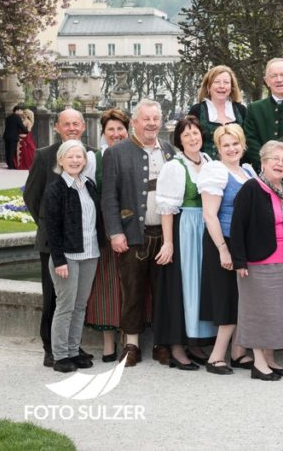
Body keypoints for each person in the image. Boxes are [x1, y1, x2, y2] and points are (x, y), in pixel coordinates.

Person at [102, 99, 177, 367]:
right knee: (132, 291)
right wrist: (115, 233)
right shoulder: (117, 152)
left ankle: (161, 343)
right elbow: (109, 197)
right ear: (134, 122)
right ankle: (131, 344)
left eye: (155, 119)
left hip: (164, 235)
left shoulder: (169, 151)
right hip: (133, 234)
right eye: (146, 119)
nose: (151, 124)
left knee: (163, 293)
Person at [23, 108, 92, 367]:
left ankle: (70, 346)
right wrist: (50, 227)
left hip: (82, 243)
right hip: (53, 243)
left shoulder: (90, 154)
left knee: (76, 298)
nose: (72, 128)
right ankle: (51, 348)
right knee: (53, 295)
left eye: (76, 124)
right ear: (57, 127)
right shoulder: (44, 156)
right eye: (67, 124)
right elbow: (32, 196)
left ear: (83, 127)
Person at [230, 140, 283, 381]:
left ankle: (270, 360)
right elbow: (237, 225)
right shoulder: (251, 187)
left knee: (277, 314)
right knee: (259, 313)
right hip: (257, 262)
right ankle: (259, 364)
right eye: (275, 159)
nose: (280, 164)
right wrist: (239, 260)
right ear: (263, 162)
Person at [154, 115, 216, 370]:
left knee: (202, 285)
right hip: (186, 230)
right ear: (179, 140)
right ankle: (177, 347)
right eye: (187, 134)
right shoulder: (175, 166)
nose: (193, 138)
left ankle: (195, 342)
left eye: (196, 133)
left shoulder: (210, 162)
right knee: (184, 285)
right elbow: (167, 209)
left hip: (207, 228)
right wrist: (168, 243)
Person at [197, 124, 255, 374]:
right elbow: (210, 215)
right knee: (227, 298)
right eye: (226, 145)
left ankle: (238, 351)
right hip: (223, 240)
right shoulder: (216, 171)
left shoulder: (247, 170)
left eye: (235, 143)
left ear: (243, 145)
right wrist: (223, 249)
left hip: (243, 243)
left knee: (243, 297)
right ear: (218, 149)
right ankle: (216, 356)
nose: (232, 149)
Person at [44, 141, 105, 372]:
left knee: (80, 306)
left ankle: (72, 349)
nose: (75, 160)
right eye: (70, 156)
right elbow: (52, 228)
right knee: (66, 306)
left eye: (79, 156)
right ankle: (59, 355)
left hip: (90, 253)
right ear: (61, 160)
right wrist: (58, 260)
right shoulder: (55, 188)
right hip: (67, 256)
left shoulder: (88, 184)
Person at [84, 109, 130, 362]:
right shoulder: (95, 159)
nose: (116, 134)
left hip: (133, 225)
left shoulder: (135, 155)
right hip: (104, 228)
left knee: (130, 283)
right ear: (104, 133)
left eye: (120, 129)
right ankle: (108, 343)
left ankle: (129, 337)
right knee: (106, 285)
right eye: (110, 130)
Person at [189, 65, 247, 160]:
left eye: (226, 82)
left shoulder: (241, 110)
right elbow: (189, 140)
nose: (222, 86)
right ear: (208, 86)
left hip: (236, 167)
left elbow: (247, 141)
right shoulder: (197, 110)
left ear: (231, 87)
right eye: (217, 82)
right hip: (206, 168)